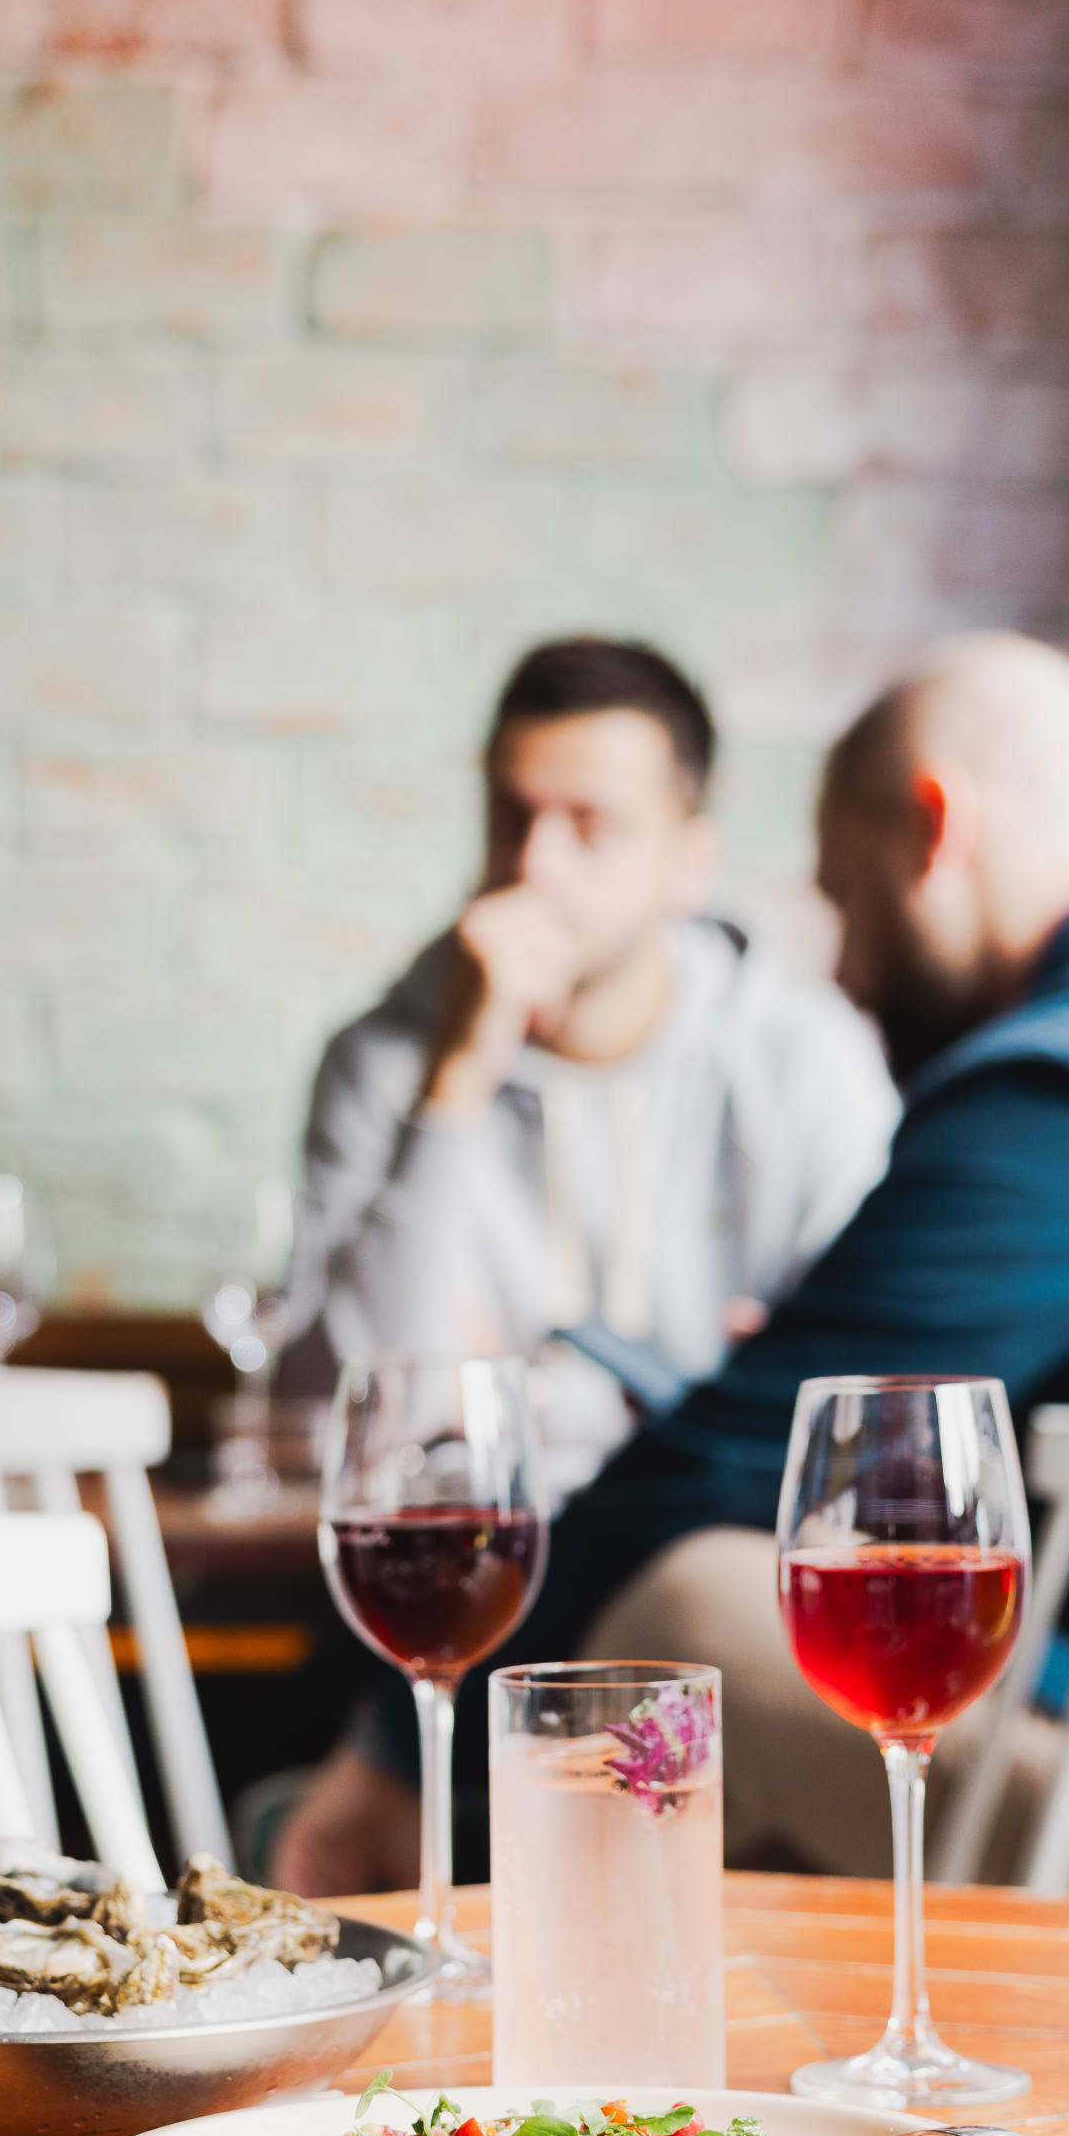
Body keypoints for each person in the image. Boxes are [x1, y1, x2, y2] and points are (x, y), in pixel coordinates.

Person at [275, 632, 1069, 1892]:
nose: (838, 962)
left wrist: (393, 1760)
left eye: (842, 896)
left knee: (687, 1616)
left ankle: (462, 1978)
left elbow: (742, 1455)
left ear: (934, 830)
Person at [280, 638, 895, 1497]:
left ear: (689, 864)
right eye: (510, 817)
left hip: (708, 1530)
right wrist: (455, 1084)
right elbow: (340, 1422)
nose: (533, 866)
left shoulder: (804, 1059)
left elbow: (862, 1407)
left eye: (590, 826)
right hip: (476, 1564)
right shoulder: (383, 1063)